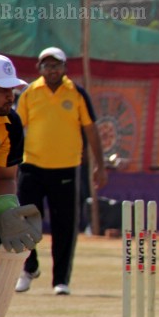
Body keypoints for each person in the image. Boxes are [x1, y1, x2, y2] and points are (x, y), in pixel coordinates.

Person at [14, 47, 107, 296]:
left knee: (64, 225)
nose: (52, 70)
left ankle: (61, 279)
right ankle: (28, 267)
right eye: (47, 65)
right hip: (31, 166)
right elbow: (14, 127)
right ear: (39, 69)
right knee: (25, 221)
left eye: (56, 65)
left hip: (66, 168)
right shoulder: (29, 93)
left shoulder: (76, 93)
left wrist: (100, 164)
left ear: (65, 68)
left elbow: (91, 130)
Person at [0, 53, 44, 317]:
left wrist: (7, 208)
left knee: (13, 246)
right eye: (0, 88)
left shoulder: (10, 122)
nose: (10, 95)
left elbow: (6, 176)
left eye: (12, 88)